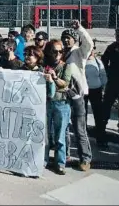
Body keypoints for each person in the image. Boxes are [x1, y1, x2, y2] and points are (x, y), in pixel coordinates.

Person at [61, 20, 93, 171]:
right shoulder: (61, 54)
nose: (66, 39)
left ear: (74, 39)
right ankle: (65, 154)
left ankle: (85, 158)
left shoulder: (79, 52)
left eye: (69, 37)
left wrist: (79, 29)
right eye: (64, 37)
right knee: (65, 127)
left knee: (79, 128)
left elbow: (88, 43)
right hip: (63, 95)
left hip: (78, 95)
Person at [44, 40, 73, 175]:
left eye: (60, 51)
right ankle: (43, 160)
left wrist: (54, 78)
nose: (57, 54)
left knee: (60, 135)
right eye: (54, 51)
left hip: (61, 104)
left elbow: (65, 83)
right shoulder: (45, 65)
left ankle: (60, 163)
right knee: (45, 135)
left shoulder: (66, 66)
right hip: (47, 103)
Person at [84, 44, 108, 148]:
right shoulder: (81, 60)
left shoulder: (98, 61)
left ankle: (101, 139)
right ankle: (83, 140)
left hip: (96, 91)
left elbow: (103, 76)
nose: (90, 51)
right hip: (83, 91)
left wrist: (102, 87)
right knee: (82, 116)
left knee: (99, 116)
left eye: (92, 49)